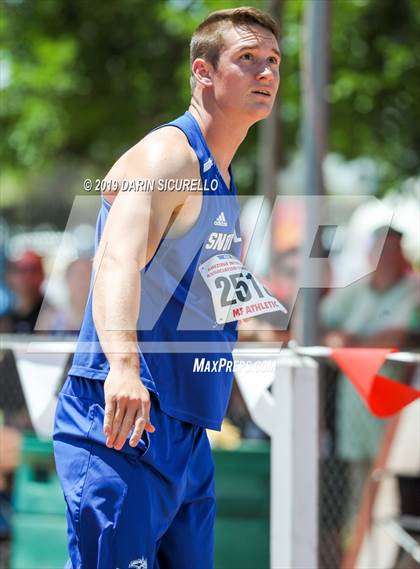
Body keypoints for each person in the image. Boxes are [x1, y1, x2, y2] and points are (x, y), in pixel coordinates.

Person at [53, 7, 281, 569]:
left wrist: (258, 324)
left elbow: (209, 279)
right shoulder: (169, 155)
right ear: (203, 73)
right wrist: (124, 367)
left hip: (184, 430)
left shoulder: (221, 176)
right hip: (122, 419)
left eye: (273, 61)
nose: (266, 73)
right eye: (247, 59)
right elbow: (116, 261)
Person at [320, 226, 419, 536]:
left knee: (392, 496)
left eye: (394, 251)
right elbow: (323, 325)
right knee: (356, 495)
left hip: (397, 412)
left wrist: (352, 341)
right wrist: (348, 341)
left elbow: (397, 336)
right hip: (355, 414)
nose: (389, 258)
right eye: (382, 251)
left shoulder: (412, 289)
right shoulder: (357, 291)